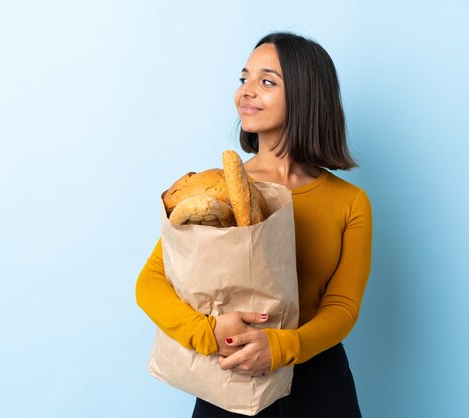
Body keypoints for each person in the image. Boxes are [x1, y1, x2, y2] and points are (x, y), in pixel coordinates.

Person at [136, 32, 372, 418]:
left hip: (318, 385)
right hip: (229, 377)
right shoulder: (219, 192)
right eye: (243, 78)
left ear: (306, 95)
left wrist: (281, 348)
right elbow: (151, 282)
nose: (246, 91)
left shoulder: (350, 202)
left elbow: (342, 306)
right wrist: (209, 333)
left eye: (266, 82)